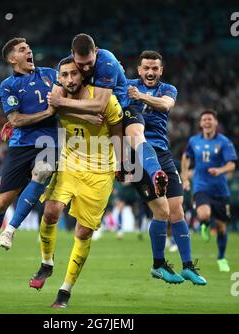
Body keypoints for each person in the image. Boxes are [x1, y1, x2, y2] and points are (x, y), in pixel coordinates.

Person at [29, 57, 123, 308]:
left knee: (83, 231)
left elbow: (116, 130)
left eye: (73, 74)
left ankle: (65, 291)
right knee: (51, 211)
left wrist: (122, 162)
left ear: (82, 75)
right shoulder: (56, 95)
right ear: (59, 78)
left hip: (100, 171)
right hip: (70, 163)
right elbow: (47, 109)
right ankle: (46, 263)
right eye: (64, 75)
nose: (69, 79)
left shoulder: (106, 100)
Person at [0, 37, 60, 282]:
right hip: (20, 146)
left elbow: (74, 85)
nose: (29, 51)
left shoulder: (51, 74)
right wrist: (48, 112)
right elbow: (16, 120)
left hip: (49, 141)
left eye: (28, 48)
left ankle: (12, 229)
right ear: (11, 59)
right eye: (22, 49)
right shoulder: (8, 85)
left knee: (43, 171)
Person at [47, 33, 168, 197]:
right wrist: (82, 115)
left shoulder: (107, 62)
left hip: (121, 108)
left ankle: (156, 173)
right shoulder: (66, 66)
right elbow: (53, 102)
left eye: (90, 63)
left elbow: (99, 105)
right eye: (81, 64)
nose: (87, 68)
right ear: (72, 54)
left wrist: (62, 102)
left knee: (137, 136)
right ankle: (121, 165)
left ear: (96, 51)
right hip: (92, 119)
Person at [127, 50, 206, 285]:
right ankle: (158, 264)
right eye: (146, 68)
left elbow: (165, 105)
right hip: (137, 154)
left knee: (177, 211)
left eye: (155, 68)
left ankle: (188, 266)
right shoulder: (126, 86)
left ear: (161, 70)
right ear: (139, 69)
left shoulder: (167, 89)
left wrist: (140, 96)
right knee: (161, 211)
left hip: (163, 153)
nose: (150, 72)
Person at [181, 109, 237, 272]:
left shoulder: (224, 142)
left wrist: (220, 171)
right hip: (201, 186)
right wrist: (185, 178)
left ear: (215, 123)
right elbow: (186, 157)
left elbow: (232, 164)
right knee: (203, 213)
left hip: (220, 190)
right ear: (200, 123)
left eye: (210, 119)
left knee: (221, 228)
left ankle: (221, 257)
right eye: (204, 119)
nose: (207, 121)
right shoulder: (194, 141)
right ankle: (204, 223)